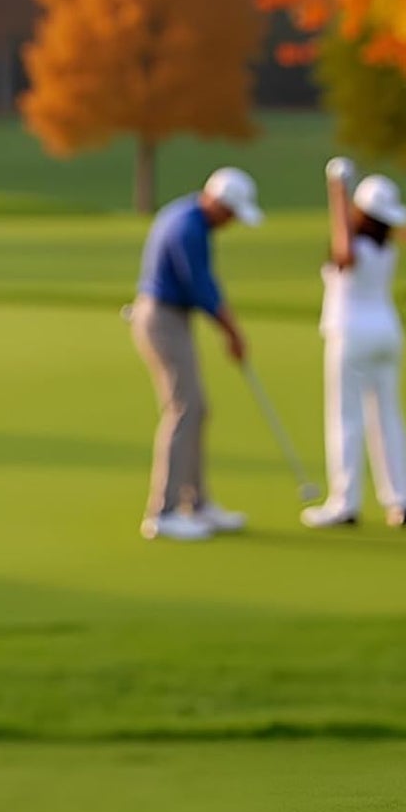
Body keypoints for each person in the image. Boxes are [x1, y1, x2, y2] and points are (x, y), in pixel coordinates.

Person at [129, 167, 263, 541]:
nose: (232, 222)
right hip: (162, 319)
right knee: (184, 410)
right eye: (232, 214)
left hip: (167, 316)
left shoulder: (188, 214)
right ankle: (164, 512)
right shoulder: (189, 229)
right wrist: (233, 333)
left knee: (196, 408)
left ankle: (197, 504)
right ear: (219, 204)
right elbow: (202, 288)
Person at [302, 158, 406, 528]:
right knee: (387, 418)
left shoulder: (356, 247)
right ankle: (401, 501)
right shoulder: (387, 249)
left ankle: (344, 503)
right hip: (387, 334)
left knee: (346, 418)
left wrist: (338, 194)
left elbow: (345, 254)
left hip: (352, 335)